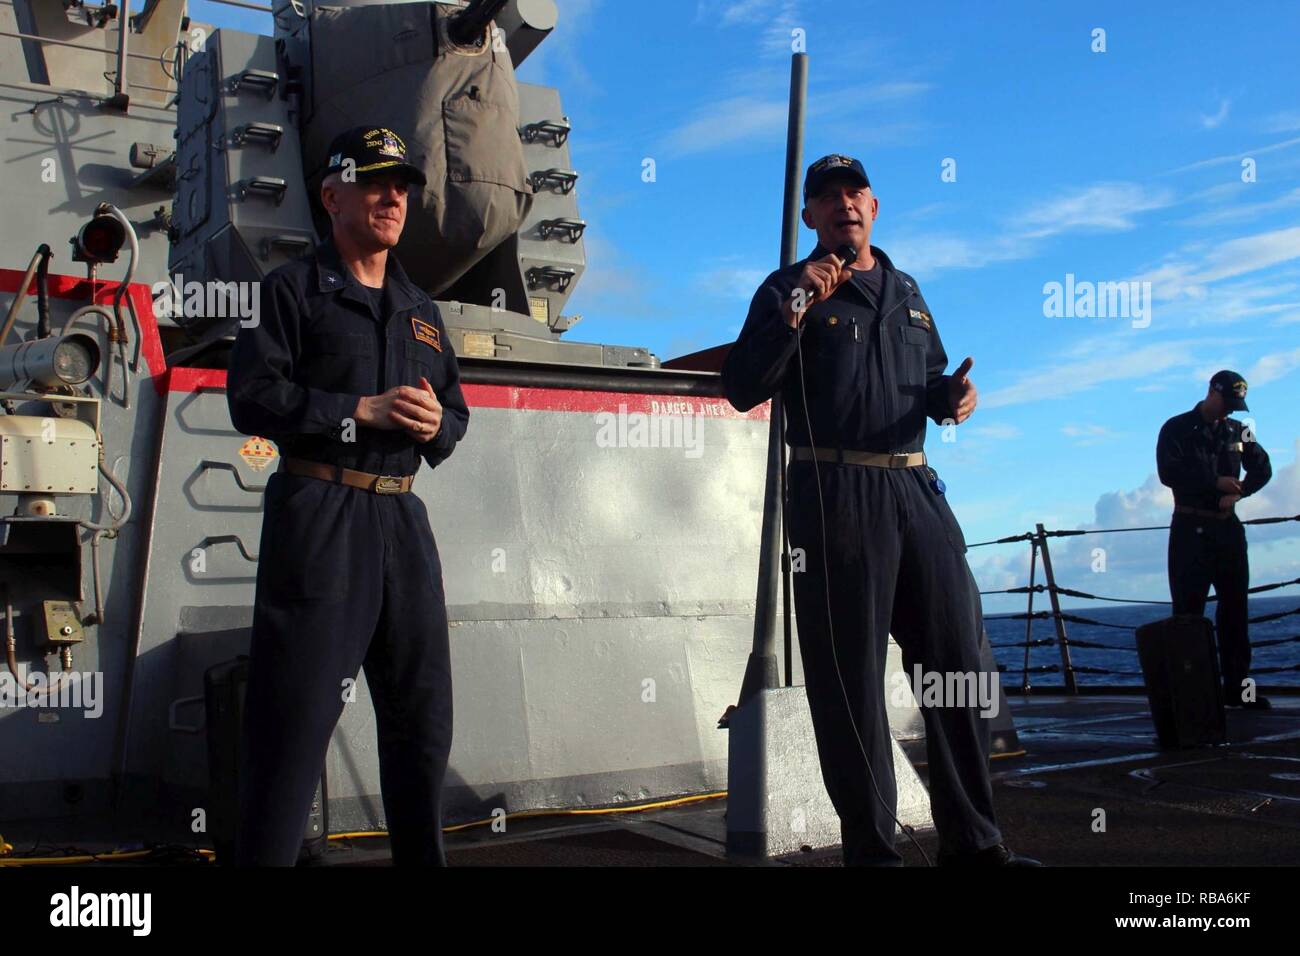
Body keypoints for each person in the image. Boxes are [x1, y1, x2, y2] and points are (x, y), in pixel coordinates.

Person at [721, 154, 1038, 866]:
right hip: (836, 498)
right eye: (826, 197)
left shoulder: (911, 293)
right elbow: (743, 385)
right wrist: (799, 302)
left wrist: (952, 401)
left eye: (854, 192)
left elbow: (931, 383)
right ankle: (872, 853)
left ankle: (976, 847)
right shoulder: (784, 288)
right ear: (809, 217)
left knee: (955, 668)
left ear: (874, 204)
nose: (844, 204)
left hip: (916, 493)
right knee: (850, 686)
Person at [226, 125, 470, 865]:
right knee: (293, 725)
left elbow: (455, 414)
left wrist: (437, 426)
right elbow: (253, 397)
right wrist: (352, 410)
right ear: (332, 196)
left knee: (422, 726)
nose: (393, 195)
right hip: (321, 514)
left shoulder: (423, 311)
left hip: (402, 517)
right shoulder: (291, 291)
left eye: (401, 185)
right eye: (374, 181)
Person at [1156, 370, 1272, 709]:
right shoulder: (1176, 428)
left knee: (1235, 612)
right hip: (1190, 530)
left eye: (1235, 405)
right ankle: (1193, 697)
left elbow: (1262, 468)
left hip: (1227, 529)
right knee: (1188, 617)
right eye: (1226, 402)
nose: (1229, 411)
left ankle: (1240, 691)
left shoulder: (1240, 430)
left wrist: (1240, 493)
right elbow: (1169, 472)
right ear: (1211, 391)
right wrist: (1215, 483)